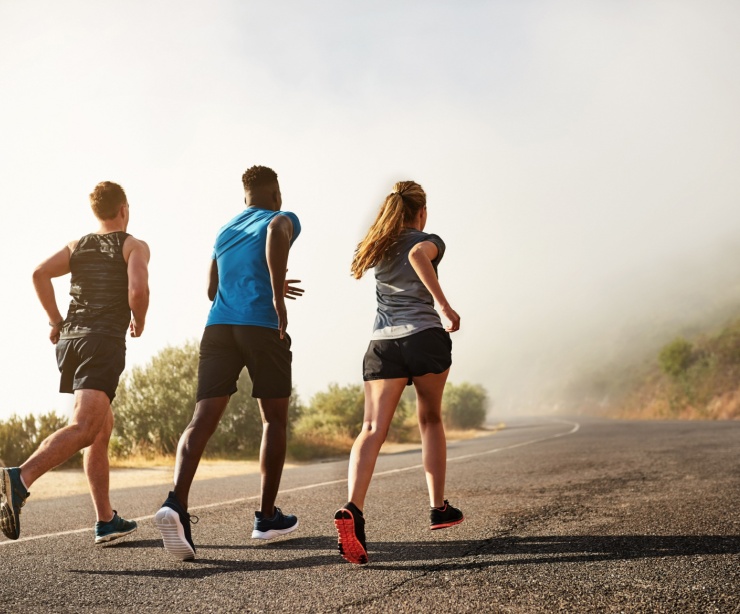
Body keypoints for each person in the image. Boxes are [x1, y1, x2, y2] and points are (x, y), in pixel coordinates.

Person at [154, 165, 303, 561]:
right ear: (276, 193)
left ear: (244, 196)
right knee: (273, 419)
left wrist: (258, 281)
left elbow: (211, 290)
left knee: (201, 419)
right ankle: (267, 518)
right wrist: (276, 294)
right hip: (260, 326)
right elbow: (275, 234)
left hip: (219, 326)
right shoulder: (281, 218)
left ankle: (175, 504)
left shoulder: (225, 230)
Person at [0, 181, 150, 544]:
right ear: (124, 209)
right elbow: (138, 291)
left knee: (99, 428)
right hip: (101, 341)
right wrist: (139, 320)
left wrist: (55, 321)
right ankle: (18, 480)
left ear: (96, 212)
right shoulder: (133, 245)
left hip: (71, 341)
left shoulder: (76, 245)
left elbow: (39, 274)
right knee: (85, 425)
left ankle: (105, 520)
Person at [334, 180, 464, 565]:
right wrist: (444, 306)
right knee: (430, 419)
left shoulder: (379, 243)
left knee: (372, 430)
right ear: (420, 212)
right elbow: (419, 257)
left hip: (383, 345)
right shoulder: (427, 239)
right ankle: (438, 507)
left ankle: (353, 509)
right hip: (424, 336)